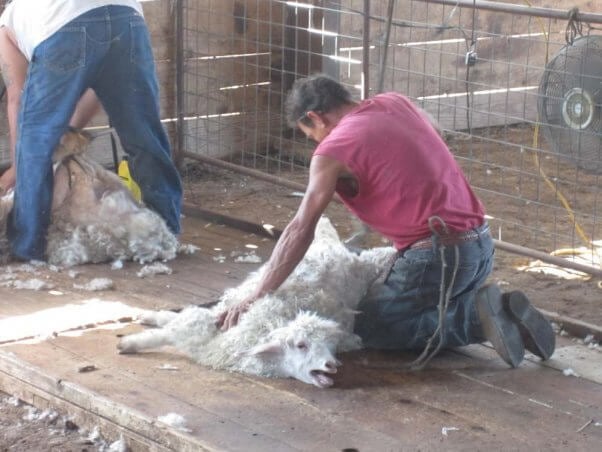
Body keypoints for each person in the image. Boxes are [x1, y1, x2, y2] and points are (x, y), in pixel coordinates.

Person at [217, 73, 555, 368]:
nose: (315, 143)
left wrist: (257, 295)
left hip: (436, 257)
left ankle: (477, 320)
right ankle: (490, 308)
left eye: (310, 134)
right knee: (417, 308)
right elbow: (434, 131)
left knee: (367, 327)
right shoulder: (394, 102)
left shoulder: (332, 150)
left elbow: (301, 228)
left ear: (315, 117)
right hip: (479, 245)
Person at [0, 0, 182, 261]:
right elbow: (99, 89)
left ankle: (27, 248)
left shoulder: (7, 21)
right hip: (128, 19)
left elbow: (17, 99)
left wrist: (20, 167)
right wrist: (67, 134)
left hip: (63, 26)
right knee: (144, 133)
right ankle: (167, 230)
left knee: (35, 142)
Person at [0, 20, 101, 193]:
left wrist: (18, 167)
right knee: (101, 77)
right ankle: (66, 137)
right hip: (115, 23)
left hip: (49, 33)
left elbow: (16, 99)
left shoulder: (9, 24)